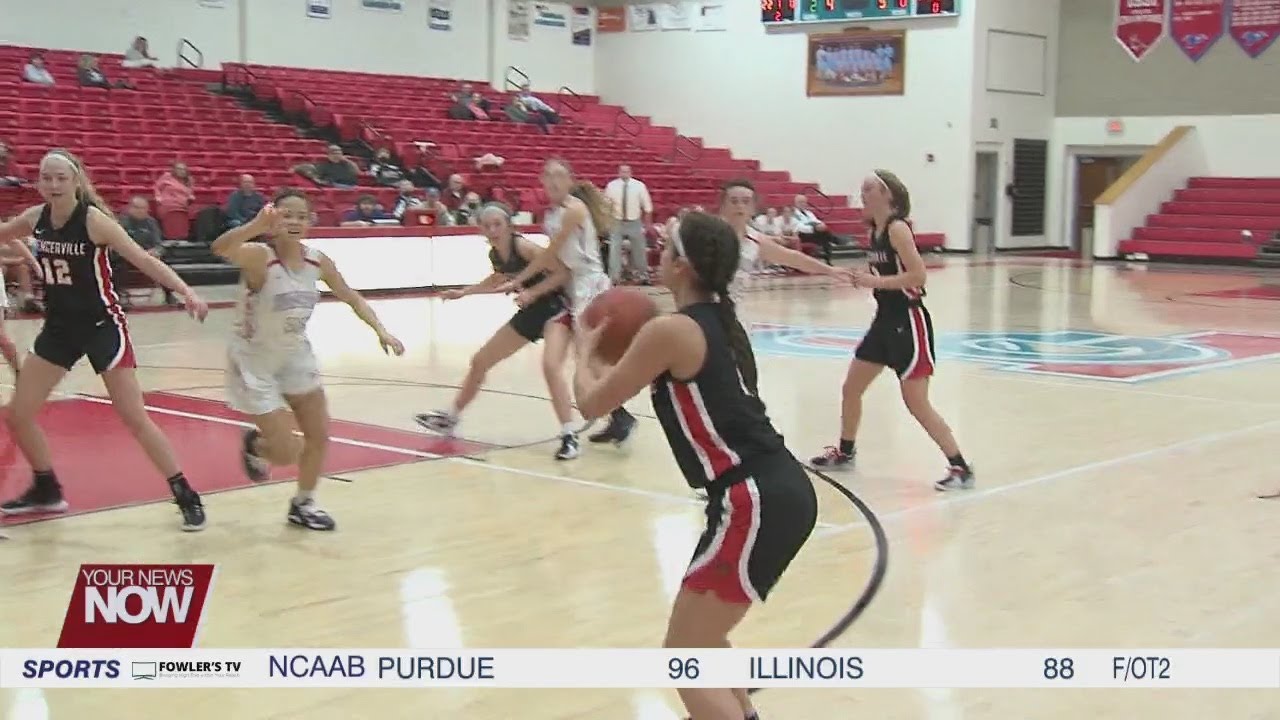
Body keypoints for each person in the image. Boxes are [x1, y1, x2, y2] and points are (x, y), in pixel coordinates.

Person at [573, 212, 817, 720]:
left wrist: (582, 350)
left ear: (682, 266)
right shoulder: (717, 323)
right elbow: (620, 383)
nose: (657, 256)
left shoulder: (672, 331)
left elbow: (592, 403)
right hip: (770, 489)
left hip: (753, 498)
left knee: (683, 657)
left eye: (664, 249)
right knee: (704, 642)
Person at [0, 149, 210, 530]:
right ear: (38, 182)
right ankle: (47, 488)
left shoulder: (93, 221)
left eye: (61, 177)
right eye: (46, 177)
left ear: (76, 181)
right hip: (60, 328)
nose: (53, 184)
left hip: (102, 326)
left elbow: (144, 260)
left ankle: (185, 493)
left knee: (134, 417)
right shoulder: (35, 218)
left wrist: (186, 291)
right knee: (18, 414)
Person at [211, 189, 405, 531]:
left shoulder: (317, 261)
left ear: (310, 222)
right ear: (273, 218)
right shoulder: (260, 256)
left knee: (319, 434)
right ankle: (255, 444)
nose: (294, 222)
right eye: (287, 215)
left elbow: (350, 296)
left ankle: (303, 503)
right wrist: (255, 226)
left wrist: (381, 330)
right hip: (255, 360)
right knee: (287, 452)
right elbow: (220, 248)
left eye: (301, 216)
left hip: (295, 354)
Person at [810, 170, 973, 491]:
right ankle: (845, 452)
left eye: (870, 187)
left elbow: (918, 276)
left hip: (908, 322)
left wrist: (875, 281)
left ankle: (960, 466)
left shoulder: (898, 229)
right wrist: (862, 277)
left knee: (916, 403)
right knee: (851, 388)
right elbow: (885, 273)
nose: (863, 192)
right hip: (884, 320)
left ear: (889, 194)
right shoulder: (875, 231)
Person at [414, 203, 580, 460]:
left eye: (497, 224)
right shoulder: (496, 254)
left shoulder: (523, 247)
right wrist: (464, 292)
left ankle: (569, 435)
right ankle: (450, 418)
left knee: (551, 367)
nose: (493, 230)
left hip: (557, 309)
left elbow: (562, 273)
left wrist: (532, 292)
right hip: (532, 312)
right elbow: (498, 278)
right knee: (481, 360)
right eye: (487, 226)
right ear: (480, 229)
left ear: (509, 225)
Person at [500, 159, 638, 446]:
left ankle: (619, 412)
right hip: (574, 288)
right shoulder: (550, 215)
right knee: (591, 357)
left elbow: (549, 255)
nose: (553, 181)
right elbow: (560, 265)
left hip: (591, 286)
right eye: (548, 175)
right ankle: (618, 415)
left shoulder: (575, 209)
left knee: (589, 357)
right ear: (541, 180)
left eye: (560, 175)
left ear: (570, 181)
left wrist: (519, 281)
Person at [717, 178, 851, 308]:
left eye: (746, 201)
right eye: (734, 201)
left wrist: (829, 270)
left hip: (732, 308)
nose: (740, 206)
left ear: (753, 208)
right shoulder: (711, 233)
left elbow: (793, 258)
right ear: (722, 206)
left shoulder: (755, 240)